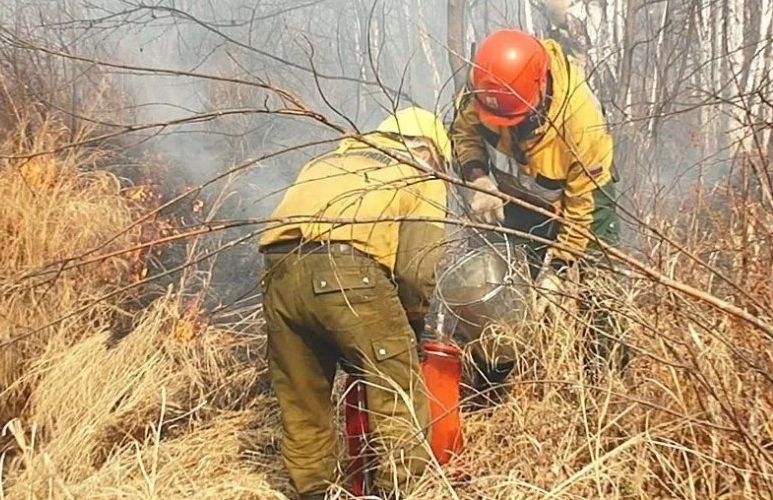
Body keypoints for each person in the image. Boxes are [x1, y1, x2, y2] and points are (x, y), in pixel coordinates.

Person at [258, 106, 452, 500]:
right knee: (397, 390)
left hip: (277, 270)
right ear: (430, 150)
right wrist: (412, 322)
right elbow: (417, 268)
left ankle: (313, 492)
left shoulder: (328, 160)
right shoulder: (420, 172)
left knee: (302, 400)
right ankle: (398, 492)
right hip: (348, 270)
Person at [449, 28, 630, 374]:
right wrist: (477, 178)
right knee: (500, 273)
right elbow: (463, 132)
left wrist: (559, 269)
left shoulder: (581, 122)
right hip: (519, 189)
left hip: (584, 194)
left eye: (518, 120)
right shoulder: (485, 86)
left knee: (598, 284)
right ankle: (501, 373)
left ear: (540, 89)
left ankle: (605, 377)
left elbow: (580, 208)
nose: (511, 128)